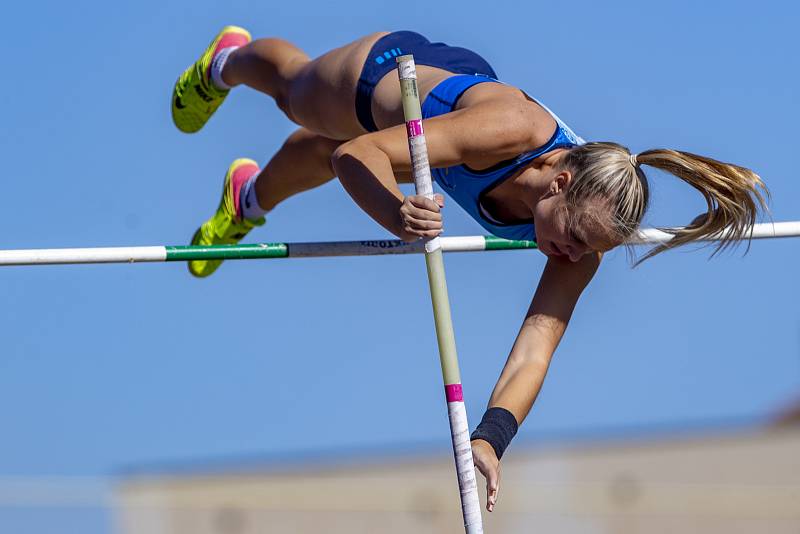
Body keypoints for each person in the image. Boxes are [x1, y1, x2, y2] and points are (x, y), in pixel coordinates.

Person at [171, 27, 768, 512]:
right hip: (381, 78)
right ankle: (226, 60)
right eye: (578, 238)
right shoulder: (509, 132)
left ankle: (246, 198)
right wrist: (396, 214)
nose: (577, 256)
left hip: (431, 139)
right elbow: (359, 154)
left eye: (592, 249)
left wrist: (491, 437)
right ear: (559, 182)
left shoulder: (589, 235)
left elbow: (538, 343)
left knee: (316, 153)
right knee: (296, 94)